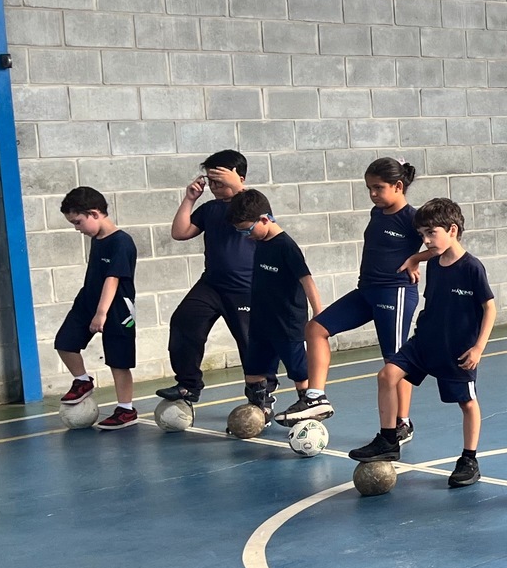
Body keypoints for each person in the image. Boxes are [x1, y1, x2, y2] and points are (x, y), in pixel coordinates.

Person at [348, 199, 496, 488]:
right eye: (423, 235)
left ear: (452, 230)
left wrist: (478, 347)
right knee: (387, 375)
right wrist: (416, 258)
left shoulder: (472, 267)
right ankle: (389, 439)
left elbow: (489, 307)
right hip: (425, 341)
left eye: (431, 234)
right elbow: (428, 255)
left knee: (467, 402)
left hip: (457, 349)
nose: (426, 241)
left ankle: (469, 459)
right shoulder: (437, 261)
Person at [280, 158, 422, 436]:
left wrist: (417, 257)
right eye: (369, 188)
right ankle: (316, 398)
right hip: (366, 291)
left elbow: (446, 244)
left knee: (396, 362)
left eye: (378, 188)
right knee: (315, 328)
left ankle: (402, 422)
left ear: (398, 186)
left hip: (395, 293)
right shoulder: (377, 213)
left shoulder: (413, 218)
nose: (372, 194)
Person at [156, 149, 254, 405]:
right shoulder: (210, 209)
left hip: (247, 287)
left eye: (219, 181)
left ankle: (261, 394)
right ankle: (188, 385)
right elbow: (180, 232)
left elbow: (252, 213)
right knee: (184, 321)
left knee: (250, 342)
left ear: (239, 178)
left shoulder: (253, 202)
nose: (213, 187)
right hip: (211, 285)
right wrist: (189, 199)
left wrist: (236, 185)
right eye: (210, 181)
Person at [223, 190, 323, 417]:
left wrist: (318, 312)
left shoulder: (286, 246)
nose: (246, 236)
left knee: (299, 371)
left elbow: (306, 280)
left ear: (265, 219)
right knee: (254, 369)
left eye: (248, 230)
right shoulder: (260, 241)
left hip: (287, 323)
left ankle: (309, 409)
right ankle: (259, 410)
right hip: (260, 322)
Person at [54, 187, 140, 430]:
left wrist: (101, 313)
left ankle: (126, 409)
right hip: (88, 300)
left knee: (118, 360)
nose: (76, 228)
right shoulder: (96, 239)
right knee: (65, 341)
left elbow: (112, 279)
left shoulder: (122, 242)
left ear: (94, 213)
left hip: (117, 308)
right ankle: (82, 381)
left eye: (78, 222)